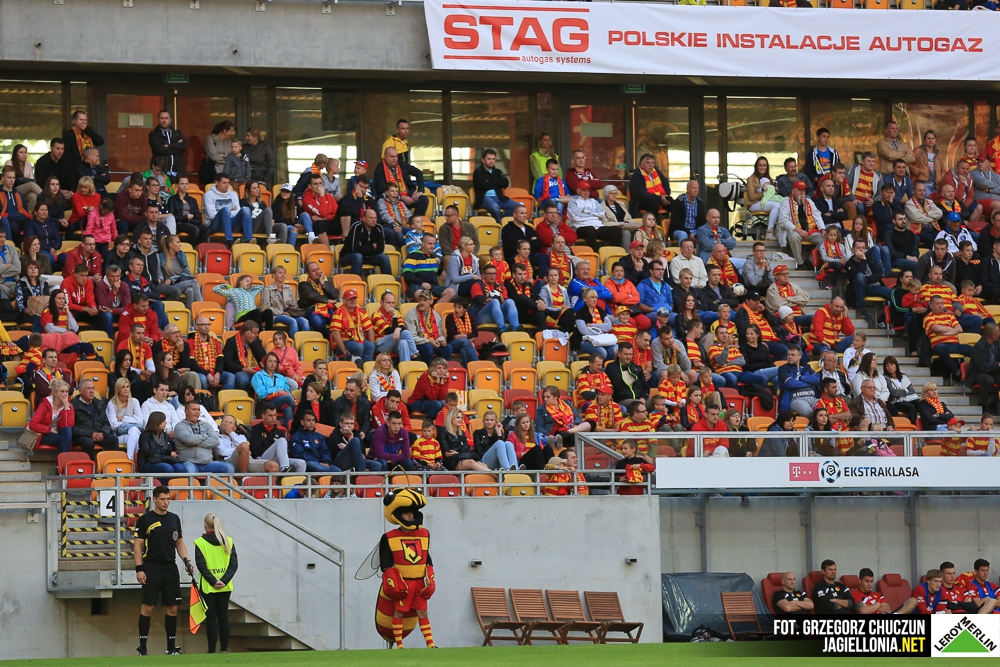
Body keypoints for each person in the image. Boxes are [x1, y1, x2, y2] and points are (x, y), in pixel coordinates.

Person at [133, 485, 193, 657]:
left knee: (172, 608)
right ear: (154, 500)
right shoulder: (145, 519)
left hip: (170, 568)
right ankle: (143, 648)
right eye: (162, 499)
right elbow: (137, 545)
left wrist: (187, 561)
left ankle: (171, 648)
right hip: (151, 567)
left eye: (168, 499)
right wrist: (139, 569)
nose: (166, 502)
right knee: (148, 607)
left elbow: (179, 542)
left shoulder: (174, 518)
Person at [193, 514, 238, 655]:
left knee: (211, 618)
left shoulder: (200, 543)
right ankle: (224, 649)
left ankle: (211, 651)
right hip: (225, 586)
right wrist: (223, 580)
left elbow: (201, 565)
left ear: (205, 525)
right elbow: (234, 564)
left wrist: (213, 581)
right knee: (223, 617)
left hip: (208, 586)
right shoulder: (229, 541)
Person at [924, 294, 973, 382]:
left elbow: (960, 329)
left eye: (942, 303)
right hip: (940, 345)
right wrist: (952, 329)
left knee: (975, 350)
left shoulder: (950, 315)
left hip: (955, 344)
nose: (940, 306)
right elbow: (938, 329)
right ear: (931, 306)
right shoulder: (928, 317)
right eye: (937, 304)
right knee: (940, 349)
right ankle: (957, 372)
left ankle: (975, 371)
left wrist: (943, 333)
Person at [777, 180, 825, 265]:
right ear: (793, 191)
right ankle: (800, 263)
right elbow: (784, 221)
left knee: (826, 238)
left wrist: (822, 229)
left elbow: (817, 215)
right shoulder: (785, 203)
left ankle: (810, 260)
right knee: (793, 237)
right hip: (794, 231)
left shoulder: (809, 202)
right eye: (800, 190)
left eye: (804, 190)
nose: (802, 192)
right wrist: (799, 231)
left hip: (810, 231)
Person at [247, 404, 306, 473]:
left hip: (277, 459)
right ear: (263, 416)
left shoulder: (278, 432)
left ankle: (296, 479)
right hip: (262, 459)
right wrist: (274, 449)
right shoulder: (256, 430)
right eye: (270, 415)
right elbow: (256, 451)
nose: (273, 418)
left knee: (301, 463)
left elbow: (284, 452)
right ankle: (285, 469)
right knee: (281, 441)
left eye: (275, 415)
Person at [70, 378, 115, 460]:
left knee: (113, 439)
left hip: (98, 434)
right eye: (88, 388)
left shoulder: (99, 404)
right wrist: (90, 434)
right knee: (89, 443)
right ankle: (90, 466)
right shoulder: (73, 405)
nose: (92, 391)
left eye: (93, 388)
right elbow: (72, 428)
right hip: (81, 436)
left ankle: (109, 465)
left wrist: (102, 433)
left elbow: (106, 423)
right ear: (80, 391)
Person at [26, 378, 74, 453]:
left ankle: (61, 459)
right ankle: (62, 459)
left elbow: (67, 425)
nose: (65, 394)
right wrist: (49, 429)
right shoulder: (45, 404)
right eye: (62, 391)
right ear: (55, 393)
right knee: (64, 440)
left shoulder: (69, 407)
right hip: (44, 434)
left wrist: (66, 409)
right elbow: (33, 424)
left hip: (60, 433)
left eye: (67, 391)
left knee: (67, 431)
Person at [567, 182, 620, 249]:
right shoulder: (573, 202)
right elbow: (576, 217)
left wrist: (586, 211)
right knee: (590, 229)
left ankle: (614, 252)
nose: (586, 193)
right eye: (584, 190)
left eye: (588, 191)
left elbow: (602, 213)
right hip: (581, 228)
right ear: (578, 191)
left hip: (598, 227)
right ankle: (595, 252)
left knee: (616, 229)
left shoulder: (594, 201)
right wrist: (595, 216)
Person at [330, 288, 375, 365]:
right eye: (350, 298)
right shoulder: (338, 312)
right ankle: (356, 368)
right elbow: (335, 333)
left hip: (359, 340)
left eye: (354, 298)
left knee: (371, 346)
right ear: (344, 300)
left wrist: (372, 345)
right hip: (344, 342)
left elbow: (370, 330)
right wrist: (344, 351)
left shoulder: (361, 312)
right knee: (359, 347)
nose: (353, 300)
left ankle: (366, 367)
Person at [472, 148, 518, 223]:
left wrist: (489, 181)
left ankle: (501, 220)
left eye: (493, 159)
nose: (491, 161)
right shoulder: (478, 172)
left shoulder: (498, 172)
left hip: (499, 198)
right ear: (483, 160)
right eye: (489, 159)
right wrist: (498, 183)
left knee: (518, 207)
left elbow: (505, 183)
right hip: (484, 198)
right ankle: (500, 226)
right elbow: (482, 185)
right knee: (495, 208)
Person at [251, 352, 296, 427]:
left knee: (288, 408)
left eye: (275, 361)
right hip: (264, 403)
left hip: (280, 401)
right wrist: (276, 390)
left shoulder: (282, 378)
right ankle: (297, 418)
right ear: (265, 363)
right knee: (289, 398)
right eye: (270, 361)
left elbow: (286, 392)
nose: (272, 364)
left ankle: (288, 432)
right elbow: (261, 394)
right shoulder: (258, 375)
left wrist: (279, 393)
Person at [222, 321, 266, 392]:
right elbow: (228, 363)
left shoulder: (256, 341)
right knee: (242, 379)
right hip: (240, 370)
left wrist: (252, 343)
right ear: (247, 333)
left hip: (256, 370)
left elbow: (263, 358)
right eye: (255, 333)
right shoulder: (231, 342)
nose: (257, 335)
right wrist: (243, 369)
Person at [106, 377, 144, 459]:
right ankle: (133, 460)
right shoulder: (111, 403)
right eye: (123, 387)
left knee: (135, 432)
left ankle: (130, 459)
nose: (126, 389)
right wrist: (132, 421)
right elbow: (114, 425)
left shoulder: (134, 401)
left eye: (127, 387)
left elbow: (140, 421)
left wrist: (123, 418)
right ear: (118, 389)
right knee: (136, 433)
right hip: (118, 434)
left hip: (131, 434)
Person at [301, 173, 339, 245]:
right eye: (315, 184)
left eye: (320, 183)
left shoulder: (329, 197)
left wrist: (325, 218)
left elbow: (337, 214)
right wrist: (322, 196)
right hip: (317, 227)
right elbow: (322, 213)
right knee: (319, 224)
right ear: (309, 186)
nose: (318, 186)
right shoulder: (306, 200)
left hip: (331, 223)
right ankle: (327, 251)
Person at [148, 110, 187, 178]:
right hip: (161, 171)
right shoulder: (153, 135)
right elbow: (160, 150)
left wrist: (169, 145)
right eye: (162, 118)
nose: (164, 120)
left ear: (170, 120)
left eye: (166, 118)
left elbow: (184, 146)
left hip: (178, 171)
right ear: (158, 120)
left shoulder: (177, 133)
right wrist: (177, 149)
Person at [912, 129, 940, 196]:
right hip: (923, 184)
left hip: (935, 185)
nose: (931, 140)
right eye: (928, 138)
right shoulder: (918, 151)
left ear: (935, 140)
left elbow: (943, 169)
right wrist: (917, 171)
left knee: (938, 200)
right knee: (931, 198)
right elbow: (908, 162)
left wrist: (940, 177)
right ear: (924, 140)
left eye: (933, 138)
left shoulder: (938, 154)